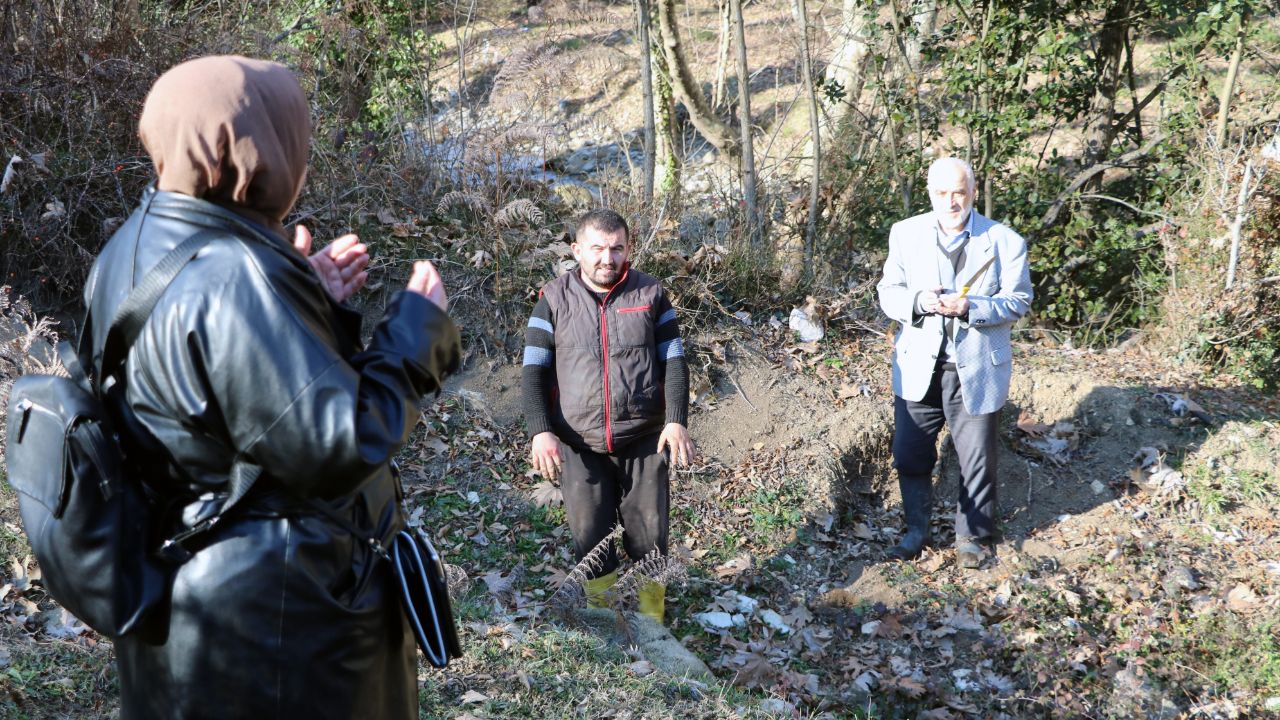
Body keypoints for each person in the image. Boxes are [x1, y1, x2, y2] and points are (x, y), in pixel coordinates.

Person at [82, 56, 461, 718]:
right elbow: (340, 445)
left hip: (187, 598)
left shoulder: (136, 247)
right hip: (283, 626)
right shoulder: (235, 275)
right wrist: (414, 338)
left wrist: (305, 299)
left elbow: (213, 394)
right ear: (260, 152)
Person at [521, 209, 695, 624]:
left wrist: (676, 418)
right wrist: (540, 431)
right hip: (578, 442)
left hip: (644, 437)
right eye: (597, 248)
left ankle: (651, 621)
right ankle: (603, 617)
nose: (607, 258)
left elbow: (674, 360)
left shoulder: (651, 294)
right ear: (577, 250)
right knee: (590, 539)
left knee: (650, 534)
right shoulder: (552, 299)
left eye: (617, 248)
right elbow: (534, 371)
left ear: (628, 248)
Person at [876, 157, 1032, 568]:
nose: (950, 201)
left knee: (976, 457)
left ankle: (973, 539)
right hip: (918, 366)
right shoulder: (905, 234)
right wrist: (916, 302)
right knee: (910, 453)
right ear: (930, 194)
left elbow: (1019, 301)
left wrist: (970, 307)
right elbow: (888, 290)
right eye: (942, 193)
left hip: (977, 367)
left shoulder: (1006, 241)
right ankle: (916, 531)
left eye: (958, 193)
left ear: (973, 193)